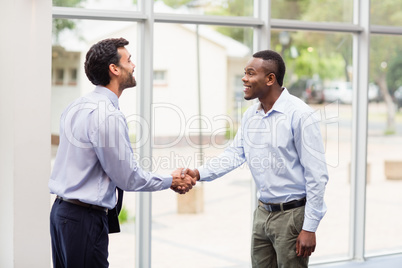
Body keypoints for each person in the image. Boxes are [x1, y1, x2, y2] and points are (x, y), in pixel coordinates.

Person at [49, 38, 195, 268]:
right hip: (83, 220)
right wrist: (171, 180)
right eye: (129, 60)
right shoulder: (107, 115)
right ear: (114, 69)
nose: (134, 65)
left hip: (62, 214)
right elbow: (126, 176)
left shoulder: (75, 106)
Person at [177, 50, 329, 267]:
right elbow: (234, 154)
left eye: (250, 73)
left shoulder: (300, 115)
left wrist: (309, 228)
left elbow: (317, 176)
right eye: (244, 73)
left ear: (270, 79)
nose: (244, 78)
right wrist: (198, 173)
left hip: (292, 217)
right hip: (262, 213)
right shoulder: (251, 115)